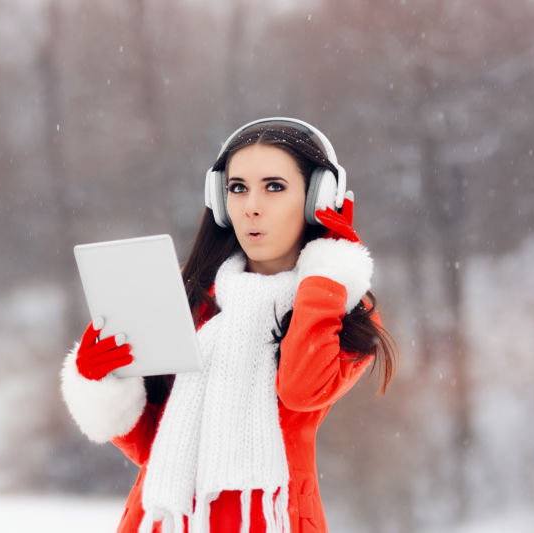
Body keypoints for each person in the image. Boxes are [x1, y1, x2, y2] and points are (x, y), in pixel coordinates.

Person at [61, 117, 397, 533]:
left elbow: (302, 388)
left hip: (272, 520)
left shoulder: (341, 307)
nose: (250, 205)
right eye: (237, 188)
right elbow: (156, 443)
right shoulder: (193, 300)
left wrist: (329, 268)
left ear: (317, 199)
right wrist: (103, 382)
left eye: (274, 186)